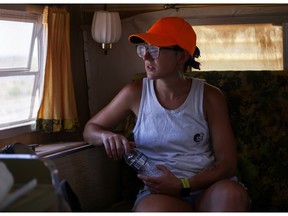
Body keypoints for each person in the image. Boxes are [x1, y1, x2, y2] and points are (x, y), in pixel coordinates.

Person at [83, 16, 250, 212]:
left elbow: (227, 164)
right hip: (160, 193)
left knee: (232, 195)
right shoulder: (134, 92)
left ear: (181, 57)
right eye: (143, 49)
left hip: (209, 188)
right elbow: (90, 130)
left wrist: (183, 185)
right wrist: (106, 136)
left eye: (154, 50)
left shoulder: (210, 96)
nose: (146, 57)